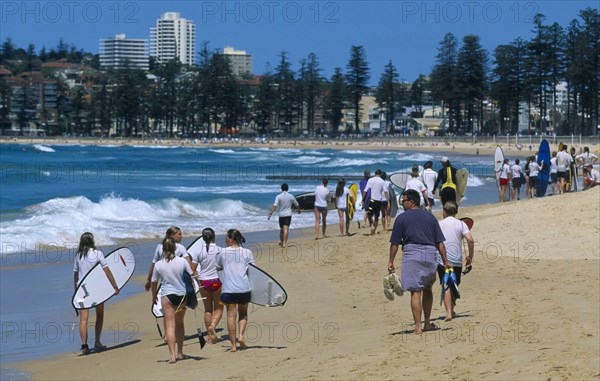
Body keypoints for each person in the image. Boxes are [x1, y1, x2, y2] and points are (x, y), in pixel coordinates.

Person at [388, 189, 451, 334]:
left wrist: (390, 261)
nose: (402, 204)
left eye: (403, 201)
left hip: (412, 255)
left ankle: (418, 326)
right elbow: (439, 242)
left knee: (415, 291)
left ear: (411, 202)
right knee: (427, 289)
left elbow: (395, 243)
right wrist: (446, 260)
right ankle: (427, 323)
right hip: (430, 255)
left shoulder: (401, 218)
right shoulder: (430, 217)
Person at [73, 232, 120, 355]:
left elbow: (76, 276)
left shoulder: (78, 256)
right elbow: (107, 271)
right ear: (92, 241)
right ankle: (97, 342)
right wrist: (115, 286)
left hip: (82, 290)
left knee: (84, 319)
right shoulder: (98, 254)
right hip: (97, 290)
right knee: (99, 315)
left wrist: (76, 293)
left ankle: (84, 346)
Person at [151, 237, 195, 363]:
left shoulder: (159, 265)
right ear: (175, 248)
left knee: (170, 326)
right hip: (182, 296)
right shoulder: (182, 261)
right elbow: (191, 276)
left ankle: (172, 356)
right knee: (180, 324)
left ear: (163, 249)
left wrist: (153, 296)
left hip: (167, 296)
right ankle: (181, 352)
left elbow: (154, 283)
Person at [216, 229, 255, 352]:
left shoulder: (222, 252)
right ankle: (241, 336)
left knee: (230, 316)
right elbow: (253, 270)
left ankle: (233, 345)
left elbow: (218, 266)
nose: (225, 240)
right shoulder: (247, 252)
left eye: (227, 238)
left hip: (228, 290)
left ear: (231, 239)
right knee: (243, 313)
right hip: (244, 288)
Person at [436, 201, 474, 322]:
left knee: (447, 284)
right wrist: (470, 257)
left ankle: (449, 312)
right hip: (456, 260)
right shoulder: (461, 224)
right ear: (456, 212)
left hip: (442, 259)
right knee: (454, 283)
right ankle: (450, 311)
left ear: (444, 211)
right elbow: (470, 240)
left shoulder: (438, 224)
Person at [189, 228, 223, 344]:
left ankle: (210, 337)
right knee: (218, 308)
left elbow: (192, 270)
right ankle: (212, 327)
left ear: (202, 238)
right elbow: (222, 266)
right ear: (214, 237)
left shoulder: (198, 251)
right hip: (215, 281)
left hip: (204, 282)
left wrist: (198, 280)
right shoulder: (219, 249)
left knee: (207, 309)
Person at [145, 226, 192, 291]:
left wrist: (149, 280)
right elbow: (188, 263)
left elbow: (153, 265)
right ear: (172, 235)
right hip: (179, 283)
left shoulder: (159, 247)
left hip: (165, 283)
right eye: (179, 234)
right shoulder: (180, 247)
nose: (181, 236)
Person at [268, 183, 300, 248]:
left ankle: (282, 242)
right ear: (287, 188)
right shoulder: (291, 196)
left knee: (281, 229)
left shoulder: (278, 196)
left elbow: (275, 205)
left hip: (281, 215)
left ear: (281, 189)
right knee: (286, 229)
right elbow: (297, 204)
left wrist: (271, 213)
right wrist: (299, 210)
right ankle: (285, 243)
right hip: (288, 214)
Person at [363, 169, 388, 235]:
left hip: (372, 201)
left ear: (375, 173)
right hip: (379, 201)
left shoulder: (370, 180)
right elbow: (386, 192)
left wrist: (363, 200)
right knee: (376, 216)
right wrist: (388, 201)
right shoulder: (382, 181)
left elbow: (365, 190)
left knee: (369, 214)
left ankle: (372, 226)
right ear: (380, 174)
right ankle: (373, 231)